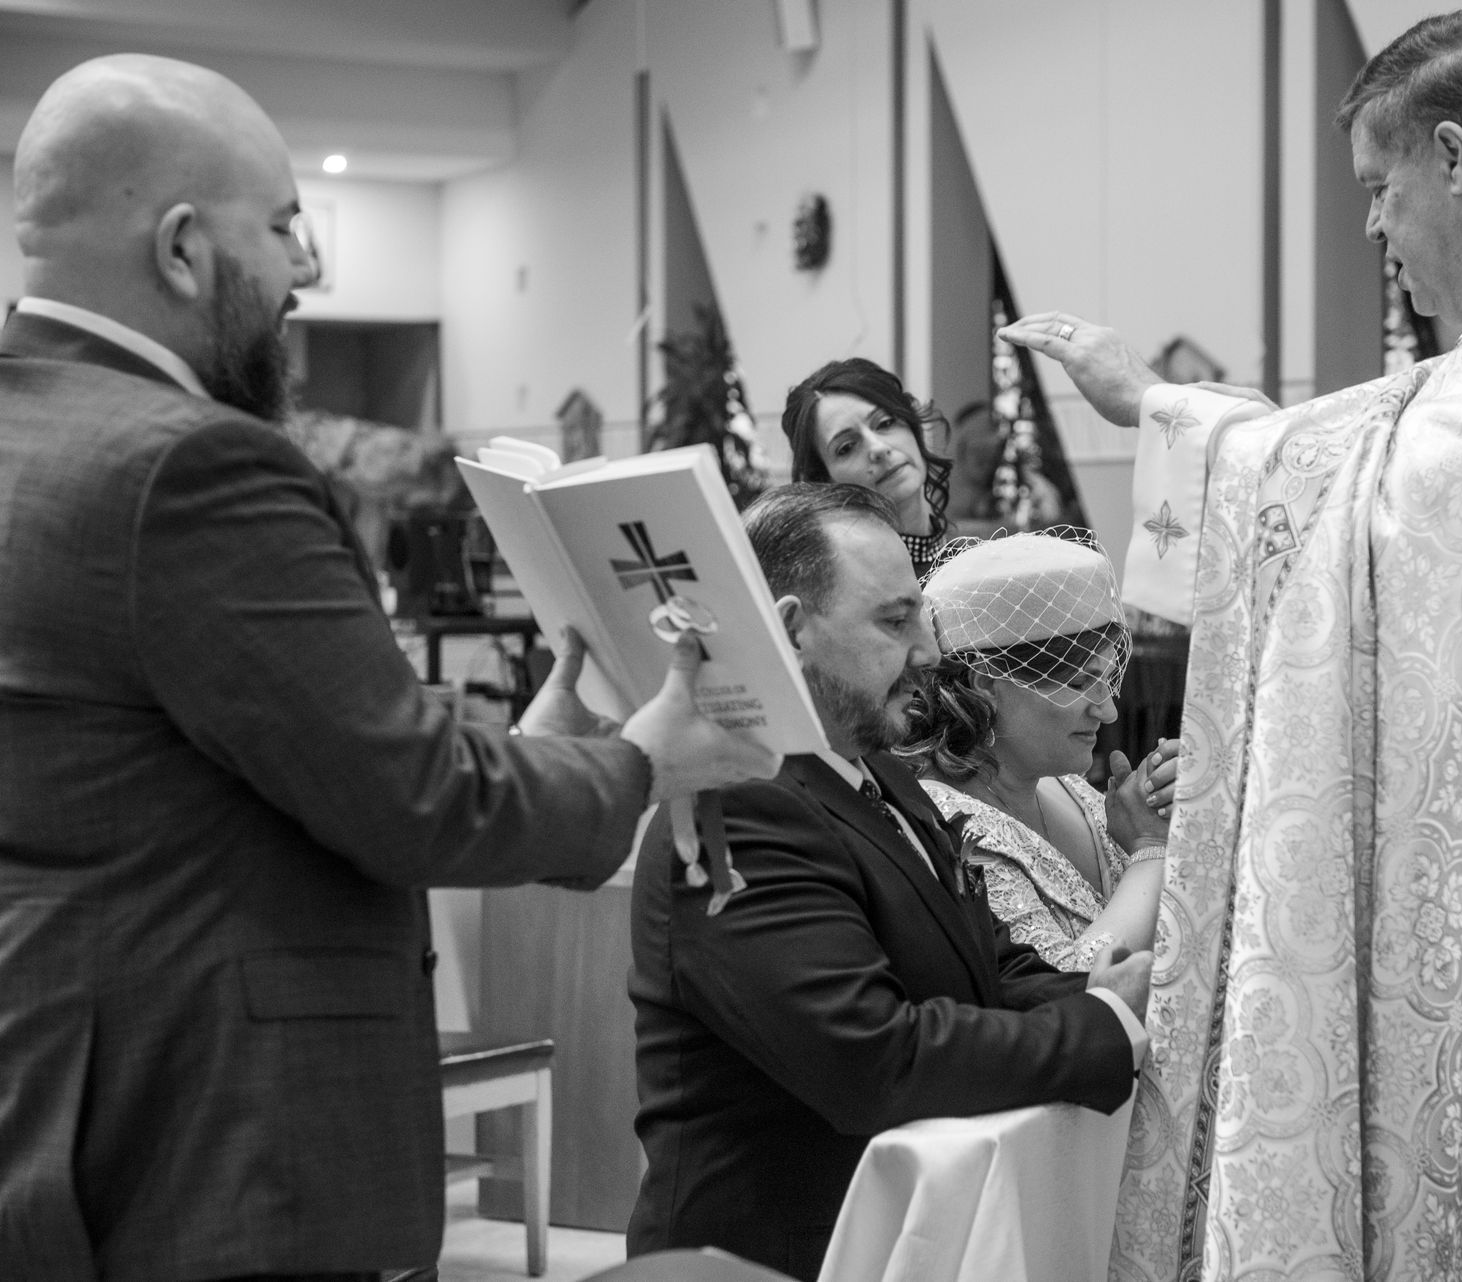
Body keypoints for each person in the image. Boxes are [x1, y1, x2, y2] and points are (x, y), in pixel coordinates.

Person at [1001, 7, 1462, 1279]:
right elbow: (1394, 437)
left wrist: (1160, 409)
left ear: (1453, 156)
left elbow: (1384, 478)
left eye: (1377, 186)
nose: (1372, 227)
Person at [0, 55, 776, 1282]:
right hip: (214, 1136)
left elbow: (238, 760)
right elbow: (410, 797)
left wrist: (519, 755)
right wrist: (639, 760)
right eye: (284, 226)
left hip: (68, 1087)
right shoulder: (192, 465)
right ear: (184, 248)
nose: (307, 270)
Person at [626, 484, 1150, 1280]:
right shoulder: (739, 804)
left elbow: (989, 963)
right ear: (793, 630)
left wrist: (1096, 993)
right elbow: (872, 1060)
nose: (930, 652)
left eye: (922, 619)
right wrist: (1102, 1026)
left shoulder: (878, 776)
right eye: (894, 621)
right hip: (772, 1257)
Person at [902, 530, 1178, 970]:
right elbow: (1066, 988)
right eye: (1079, 682)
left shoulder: (1067, 786)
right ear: (988, 684)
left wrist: (1168, 818)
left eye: (1108, 678)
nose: (1108, 712)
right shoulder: (951, 830)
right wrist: (1149, 848)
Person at [781, 357, 953, 577]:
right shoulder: (840, 584)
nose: (878, 448)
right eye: (846, 447)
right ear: (824, 479)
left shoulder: (975, 556)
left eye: (885, 423)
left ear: (912, 425)